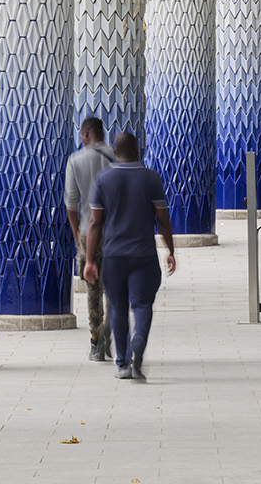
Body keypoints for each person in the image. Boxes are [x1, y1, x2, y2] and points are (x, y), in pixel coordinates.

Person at [84, 132, 176, 381]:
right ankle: (139, 343)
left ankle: (122, 364)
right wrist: (170, 250)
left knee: (119, 308)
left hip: (114, 256)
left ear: (115, 151)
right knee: (143, 305)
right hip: (144, 255)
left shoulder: (103, 179)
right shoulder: (151, 178)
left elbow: (94, 223)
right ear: (137, 149)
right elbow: (162, 219)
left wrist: (90, 260)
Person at [65, 116, 115, 360]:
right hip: (116, 231)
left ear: (85, 135)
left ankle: (96, 341)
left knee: (93, 287)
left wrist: (77, 233)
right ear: (101, 134)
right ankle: (112, 331)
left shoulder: (75, 161)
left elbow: (71, 203)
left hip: (87, 230)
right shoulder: (117, 159)